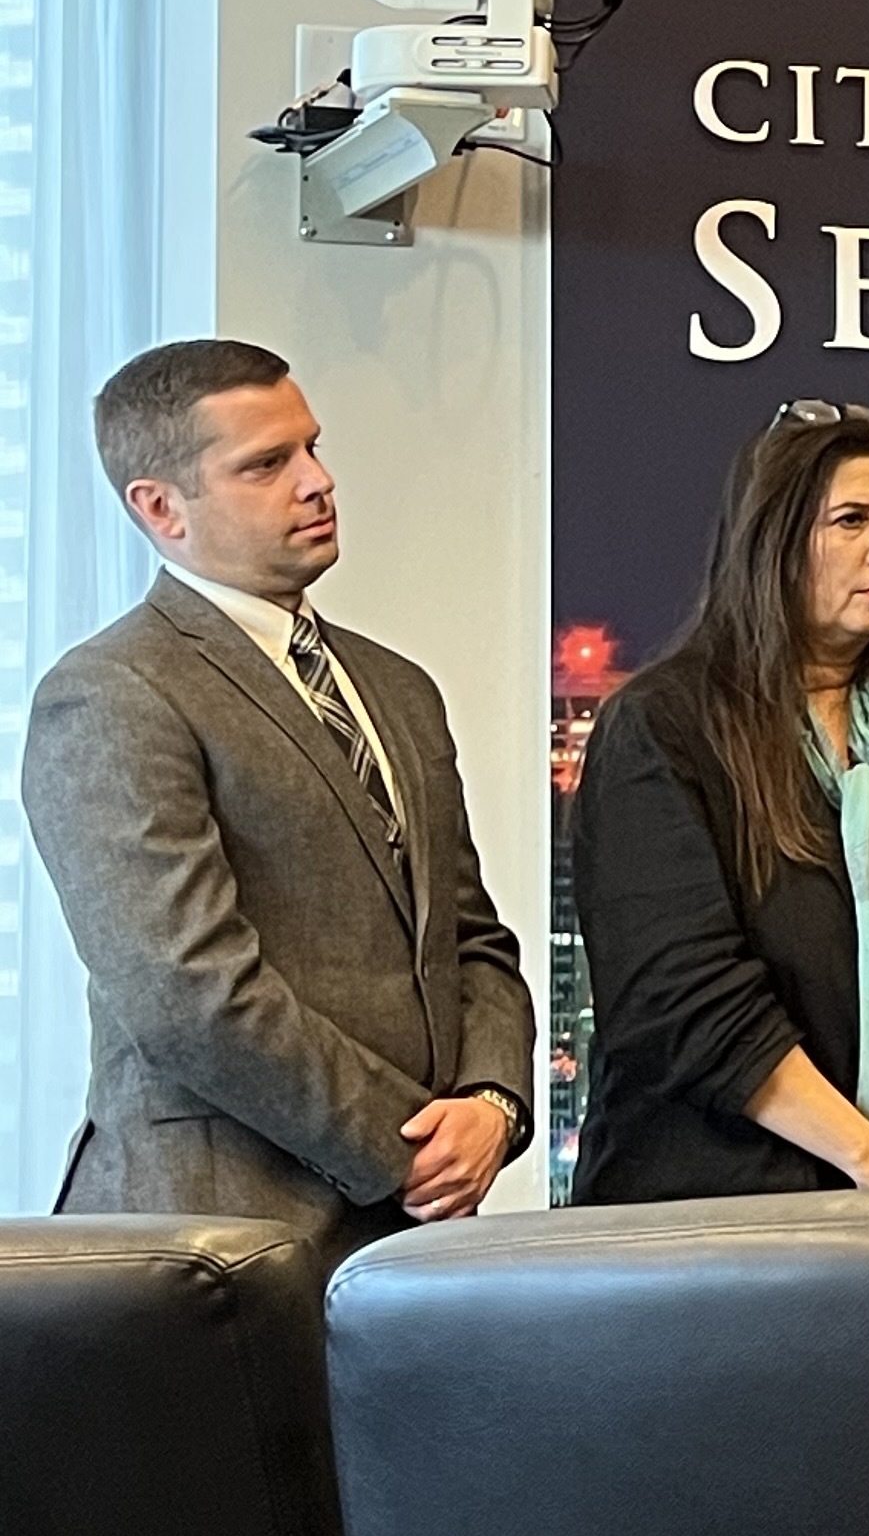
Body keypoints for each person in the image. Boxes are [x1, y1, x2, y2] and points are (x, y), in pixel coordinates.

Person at [22, 340, 535, 1252]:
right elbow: (186, 992)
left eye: (312, 447)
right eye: (267, 464)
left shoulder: (398, 687)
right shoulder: (110, 691)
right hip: (212, 1244)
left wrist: (493, 1102)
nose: (318, 482)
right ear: (159, 507)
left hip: (405, 1242)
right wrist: (405, 1146)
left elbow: (470, 939)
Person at [569, 401, 869, 1204]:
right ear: (774, 540)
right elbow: (688, 1005)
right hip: (727, 1222)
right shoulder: (664, 730)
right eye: (851, 521)